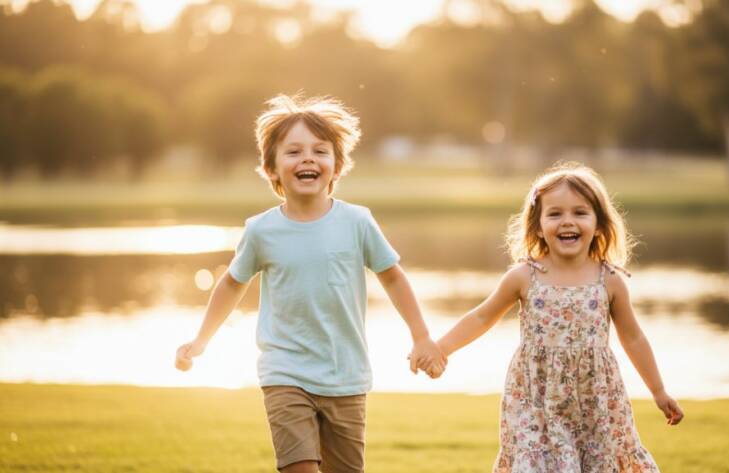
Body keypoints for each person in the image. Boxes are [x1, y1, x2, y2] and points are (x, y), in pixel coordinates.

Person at [174, 93, 446, 473]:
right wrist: (201, 340)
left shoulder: (357, 222)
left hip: (346, 376)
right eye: (293, 152)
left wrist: (421, 336)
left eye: (320, 151)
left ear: (336, 168)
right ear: (271, 169)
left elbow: (393, 277)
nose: (307, 159)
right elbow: (232, 284)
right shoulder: (261, 230)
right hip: (285, 371)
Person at [433, 161, 683, 472]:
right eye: (555, 214)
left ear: (599, 224)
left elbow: (633, 337)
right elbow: (483, 317)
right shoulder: (525, 276)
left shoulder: (610, 280)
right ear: (538, 225)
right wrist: (440, 348)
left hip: (595, 401)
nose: (567, 221)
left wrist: (658, 391)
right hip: (536, 399)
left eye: (580, 213)